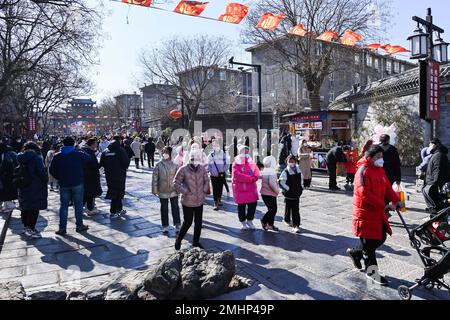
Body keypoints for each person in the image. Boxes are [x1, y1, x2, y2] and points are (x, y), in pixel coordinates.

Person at [347, 145, 403, 286]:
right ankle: (372, 272)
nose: (381, 159)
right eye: (378, 157)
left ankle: (356, 253)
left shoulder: (379, 170)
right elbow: (364, 194)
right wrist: (384, 205)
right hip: (364, 213)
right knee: (369, 246)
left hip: (377, 211)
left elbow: (387, 188)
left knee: (380, 237)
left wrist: (397, 200)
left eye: (381, 157)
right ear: (370, 158)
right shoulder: (363, 172)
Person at [50, 136, 90, 235]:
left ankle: (62, 228)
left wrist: (59, 178)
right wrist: (79, 149)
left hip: (64, 184)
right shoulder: (79, 154)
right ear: (73, 144)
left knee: (63, 206)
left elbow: (52, 170)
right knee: (78, 205)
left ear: (63, 144)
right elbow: (89, 159)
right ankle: (79, 225)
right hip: (77, 182)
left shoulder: (57, 156)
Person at [174, 149, 209, 250]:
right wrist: (186, 191)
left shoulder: (202, 169)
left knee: (198, 222)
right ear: (190, 159)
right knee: (188, 222)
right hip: (188, 200)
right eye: (193, 158)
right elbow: (176, 183)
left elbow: (206, 180)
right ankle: (179, 239)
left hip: (199, 200)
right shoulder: (183, 169)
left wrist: (204, 190)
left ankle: (196, 242)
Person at [16, 142, 48, 239]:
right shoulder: (37, 158)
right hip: (35, 186)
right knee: (34, 208)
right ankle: (31, 228)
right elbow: (41, 172)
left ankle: (26, 227)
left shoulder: (19, 157)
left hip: (23, 185)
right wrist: (45, 180)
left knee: (25, 206)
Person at [152, 146, 181, 234]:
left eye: (166, 152)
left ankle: (177, 224)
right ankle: (165, 225)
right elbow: (155, 178)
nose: (165, 154)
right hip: (162, 190)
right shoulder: (159, 165)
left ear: (170, 154)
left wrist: (179, 189)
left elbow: (179, 178)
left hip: (173, 190)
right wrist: (154, 190)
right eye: (163, 152)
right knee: (164, 208)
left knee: (175, 207)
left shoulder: (175, 165)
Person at [100, 136, 130, 219]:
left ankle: (119, 209)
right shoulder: (121, 150)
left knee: (113, 191)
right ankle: (113, 212)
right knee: (118, 192)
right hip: (120, 175)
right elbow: (126, 162)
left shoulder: (105, 151)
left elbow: (101, 163)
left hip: (109, 175)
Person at [232, 145, 260, 230]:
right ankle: (243, 222)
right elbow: (237, 175)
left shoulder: (251, 161)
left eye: (247, 151)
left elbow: (256, 171)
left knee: (253, 205)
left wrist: (255, 177)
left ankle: (250, 220)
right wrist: (250, 178)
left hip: (251, 188)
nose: (246, 153)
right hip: (241, 189)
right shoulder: (236, 162)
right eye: (244, 151)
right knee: (242, 206)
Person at [423, 138, 450, 216]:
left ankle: (440, 224)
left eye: (430, 144)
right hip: (432, 185)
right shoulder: (437, 154)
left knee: (438, 210)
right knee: (436, 209)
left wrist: (435, 184)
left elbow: (438, 171)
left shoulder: (439, 155)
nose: (429, 146)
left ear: (436, 145)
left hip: (434, 186)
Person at [279, 155, 303, 234]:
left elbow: (301, 180)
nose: (291, 163)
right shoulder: (286, 171)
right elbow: (281, 182)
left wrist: (301, 188)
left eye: (293, 161)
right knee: (288, 207)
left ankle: (296, 225)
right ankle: (287, 219)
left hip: (296, 194)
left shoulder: (298, 170)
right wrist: (288, 189)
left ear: (295, 161)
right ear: (287, 162)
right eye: (290, 161)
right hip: (289, 194)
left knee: (296, 210)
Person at [81, 138, 102, 216]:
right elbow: (94, 165)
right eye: (96, 143)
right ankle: (89, 209)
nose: (97, 145)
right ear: (92, 144)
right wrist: (101, 163)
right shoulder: (89, 152)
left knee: (86, 193)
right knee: (90, 193)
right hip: (90, 176)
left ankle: (81, 208)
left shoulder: (84, 150)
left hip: (85, 175)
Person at [260, 156, 280, 231]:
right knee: (273, 209)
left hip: (264, 193)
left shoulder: (265, 170)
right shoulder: (272, 171)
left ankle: (270, 224)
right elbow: (272, 184)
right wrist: (277, 191)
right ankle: (264, 221)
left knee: (271, 209)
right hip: (269, 193)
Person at [208, 141, 228, 210]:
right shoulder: (211, 155)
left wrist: (224, 169)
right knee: (215, 188)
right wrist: (211, 171)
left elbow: (227, 162)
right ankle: (215, 202)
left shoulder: (223, 153)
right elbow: (208, 164)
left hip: (221, 173)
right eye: (214, 145)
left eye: (216, 145)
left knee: (220, 188)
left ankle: (219, 200)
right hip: (213, 175)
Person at [0, 143, 18, 213]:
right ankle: (7, 206)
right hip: (10, 177)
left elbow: (3, 168)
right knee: (7, 194)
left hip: (6, 178)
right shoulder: (9, 154)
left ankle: (10, 206)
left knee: (5, 194)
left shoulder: (4, 156)